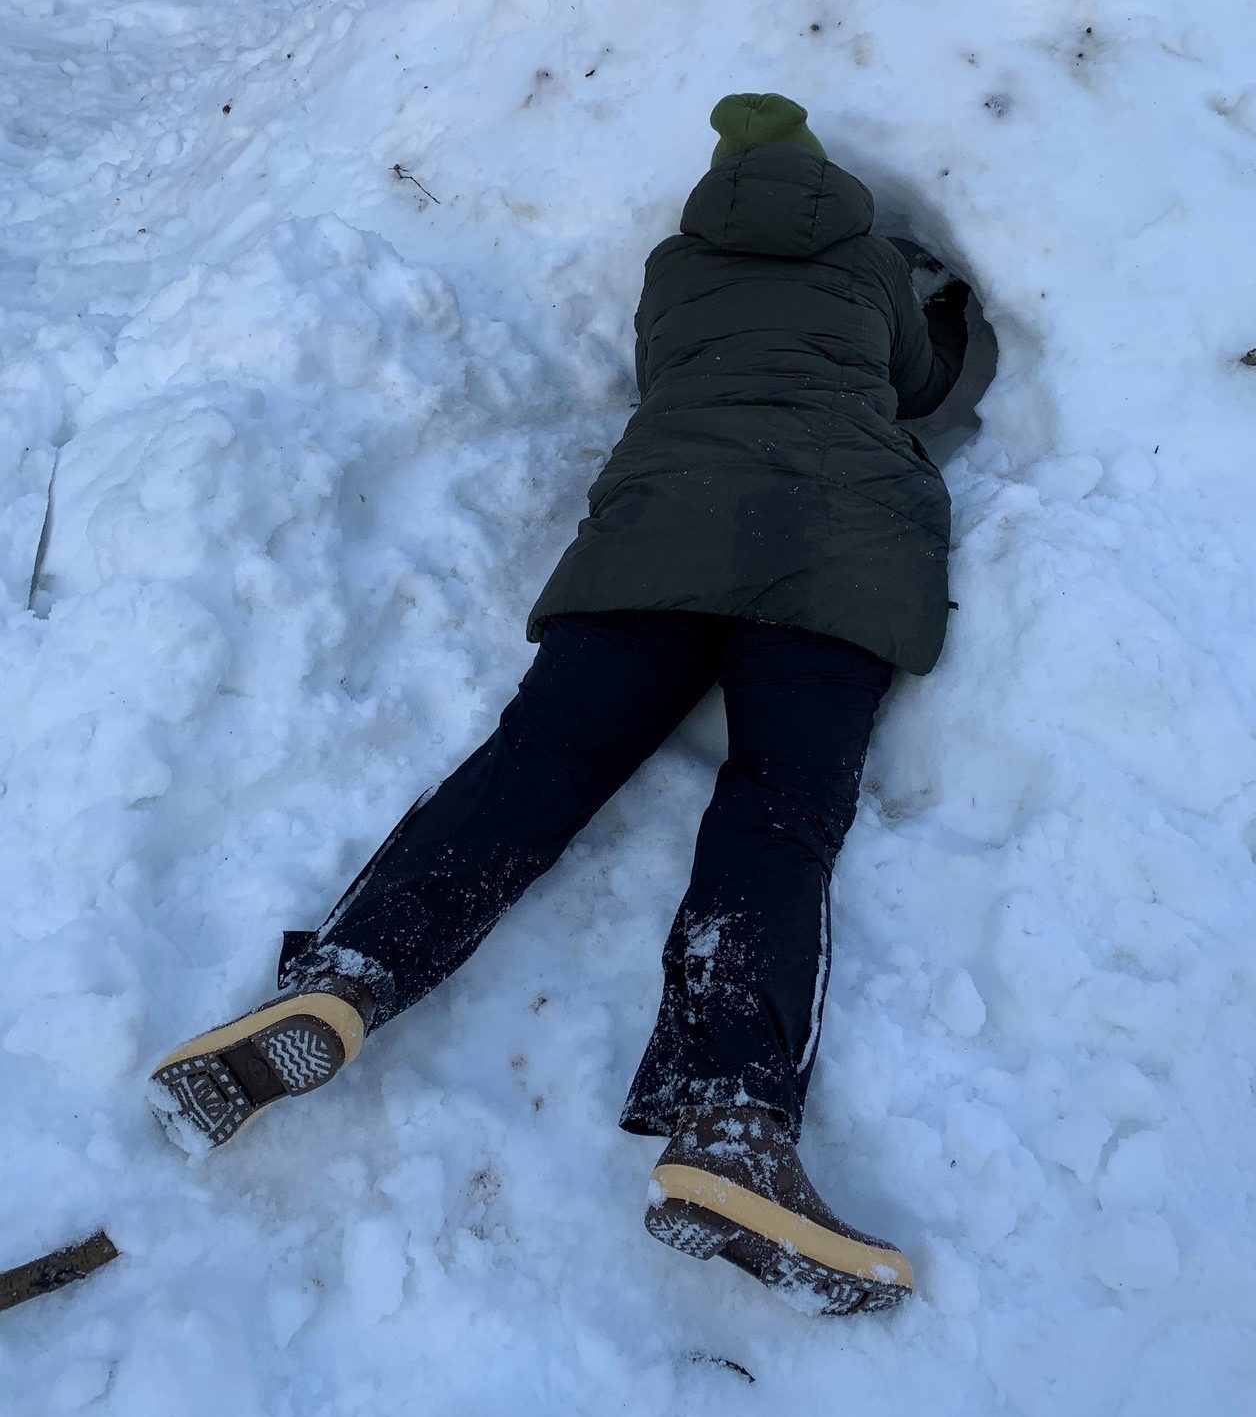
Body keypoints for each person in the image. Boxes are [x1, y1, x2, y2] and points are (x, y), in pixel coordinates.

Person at [151, 93, 971, 1316]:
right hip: (839, 547)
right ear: (833, 186)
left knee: (535, 763)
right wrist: (937, 310)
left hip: (659, 539)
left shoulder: (674, 267)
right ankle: (732, 1124)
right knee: (777, 816)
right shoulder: (868, 264)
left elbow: (670, 371)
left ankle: (348, 973)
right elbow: (923, 387)